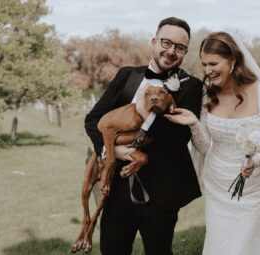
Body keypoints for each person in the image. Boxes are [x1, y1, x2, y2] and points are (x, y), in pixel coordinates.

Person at [165, 32, 260, 254]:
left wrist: (255, 161)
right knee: (221, 245)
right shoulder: (207, 93)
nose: (207, 70)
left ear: (232, 61)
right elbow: (204, 146)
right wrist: (193, 123)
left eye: (213, 63)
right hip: (217, 184)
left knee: (244, 246)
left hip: (255, 186)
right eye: (204, 64)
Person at [84, 17, 203, 255]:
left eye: (179, 47)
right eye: (166, 43)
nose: (171, 51)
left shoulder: (191, 86)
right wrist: (111, 151)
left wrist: (149, 106)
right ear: (154, 41)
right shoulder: (127, 76)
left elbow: (179, 139)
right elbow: (93, 119)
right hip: (116, 190)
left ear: (185, 52)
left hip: (162, 193)